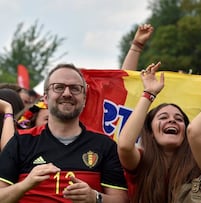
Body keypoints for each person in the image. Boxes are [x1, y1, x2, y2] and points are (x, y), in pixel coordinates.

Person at [0, 64, 128, 202]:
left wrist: (95, 197)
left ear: (84, 99)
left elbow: (121, 200)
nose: (67, 93)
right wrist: (26, 184)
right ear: (45, 98)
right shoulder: (21, 141)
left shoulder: (105, 145)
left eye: (75, 88)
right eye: (59, 87)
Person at [118, 62, 200, 202]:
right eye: (163, 117)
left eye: (179, 119)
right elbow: (124, 145)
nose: (172, 121)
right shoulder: (141, 160)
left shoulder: (198, 163)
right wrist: (149, 93)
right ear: (150, 132)